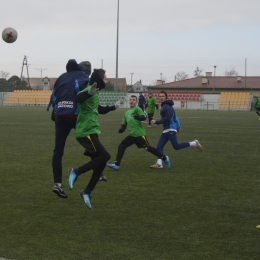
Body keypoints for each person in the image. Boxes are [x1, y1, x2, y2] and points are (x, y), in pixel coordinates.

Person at [67, 68, 121, 210]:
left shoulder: (95, 92)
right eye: (105, 78)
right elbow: (79, 98)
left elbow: (99, 109)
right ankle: (76, 171)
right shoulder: (88, 89)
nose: (107, 80)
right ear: (98, 78)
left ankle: (87, 192)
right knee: (105, 156)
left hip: (92, 131)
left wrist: (114, 107)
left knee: (101, 162)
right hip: (85, 131)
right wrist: (88, 93)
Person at [47, 59, 91, 199]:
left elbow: (54, 94)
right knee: (91, 141)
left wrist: (54, 111)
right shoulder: (82, 75)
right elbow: (84, 92)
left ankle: (57, 184)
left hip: (60, 115)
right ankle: (98, 170)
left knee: (58, 151)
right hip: (75, 114)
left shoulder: (61, 77)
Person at [106, 95, 171, 171]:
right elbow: (124, 123)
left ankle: (165, 158)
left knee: (148, 148)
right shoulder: (126, 113)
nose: (131, 101)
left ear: (136, 102)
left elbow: (143, 117)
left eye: (133, 100)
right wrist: (122, 129)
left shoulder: (137, 109)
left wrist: (138, 117)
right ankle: (116, 165)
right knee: (121, 146)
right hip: (131, 135)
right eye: (130, 99)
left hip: (139, 134)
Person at [150, 90, 203, 169]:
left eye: (163, 96)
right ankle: (159, 163)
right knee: (159, 147)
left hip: (171, 129)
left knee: (176, 146)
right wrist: (178, 126)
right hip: (166, 129)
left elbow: (167, 118)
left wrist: (156, 122)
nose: (161, 98)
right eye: (160, 96)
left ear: (166, 97)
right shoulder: (165, 106)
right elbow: (175, 117)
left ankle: (194, 143)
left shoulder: (166, 106)